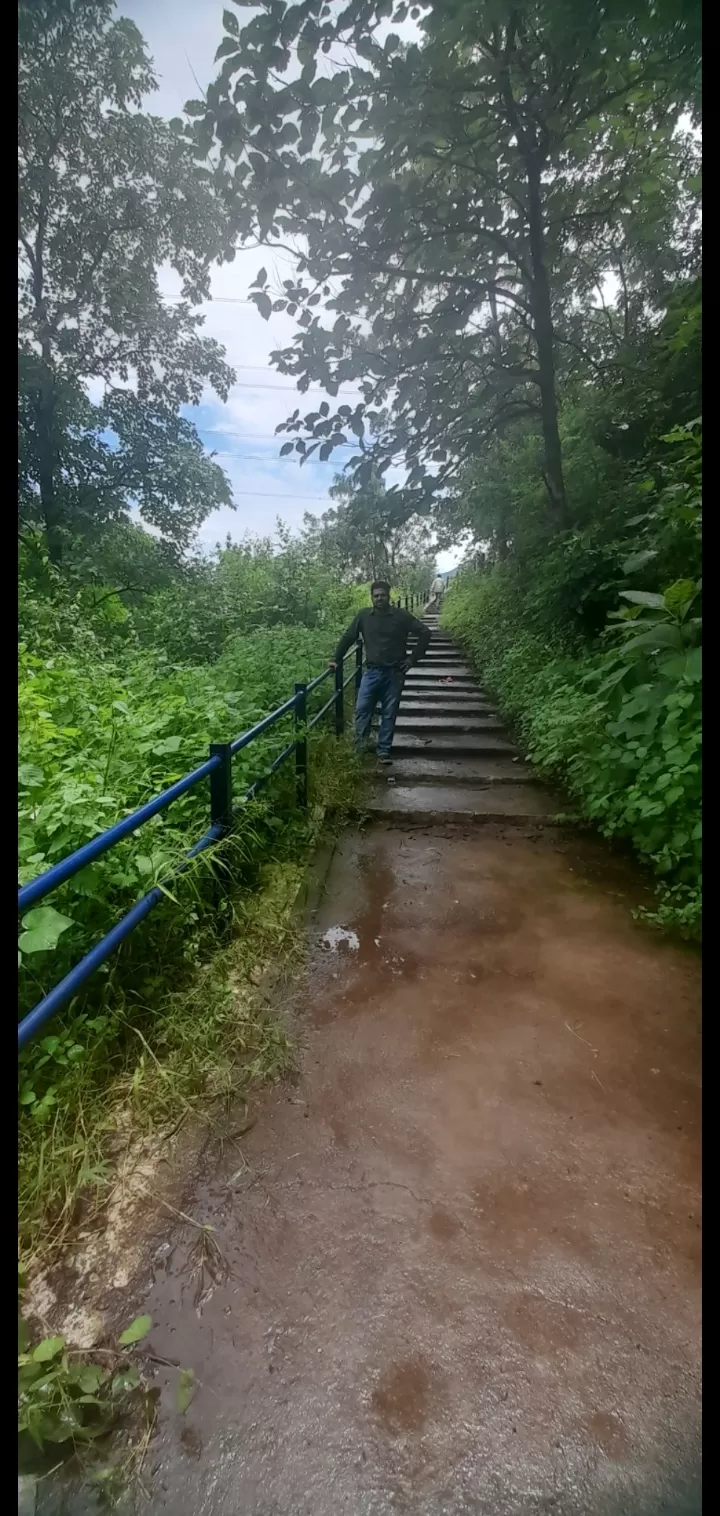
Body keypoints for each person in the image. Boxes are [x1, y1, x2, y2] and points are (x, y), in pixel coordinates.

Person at [330, 581, 431, 763]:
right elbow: (348, 637)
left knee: (389, 712)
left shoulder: (401, 616)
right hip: (372, 672)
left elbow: (425, 633)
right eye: (376, 595)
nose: (379, 598)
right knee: (362, 709)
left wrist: (412, 659)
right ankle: (360, 749)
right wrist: (336, 659)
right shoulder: (364, 616)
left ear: (388, 596)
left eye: (382, 595)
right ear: (371, 597)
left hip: (395, 673)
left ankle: (384, 750)